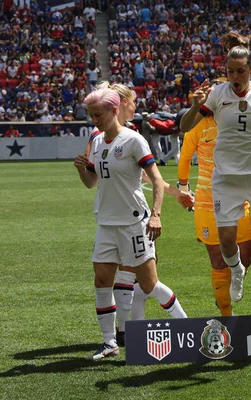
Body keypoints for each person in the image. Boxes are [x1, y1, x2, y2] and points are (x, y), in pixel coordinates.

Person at [179, 34, 251, 305]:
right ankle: (237, 272)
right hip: (226, 179)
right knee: (227, 244)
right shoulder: (218, 94)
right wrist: (196, 104)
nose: (235, 76)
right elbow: (185, 127)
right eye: (230, 71)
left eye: (240, 71)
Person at [74, 88, 187, 361]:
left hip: (134, 224)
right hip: (106, 223)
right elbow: (92, 182)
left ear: (114, 110)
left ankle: (185, 325)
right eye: (91, 116)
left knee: (149, 284)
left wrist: (156, 214)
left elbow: (157, 180)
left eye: (98, 115)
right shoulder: (98, 142)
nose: (95, 121)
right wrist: (81, 168)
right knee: (102, 280)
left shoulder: (134, 140)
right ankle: (109, 342)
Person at [177, 81, 251, 317]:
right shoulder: (197, 126)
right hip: (206, 203)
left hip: (239, 198)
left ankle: (229, 287)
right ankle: (226, 313)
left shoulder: (237, 120)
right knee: (218, 261)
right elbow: (185, 157)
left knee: (246, 259)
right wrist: (182, 187)